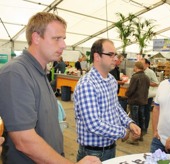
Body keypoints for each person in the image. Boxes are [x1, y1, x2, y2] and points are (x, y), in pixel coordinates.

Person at [0, 12, 101, 164]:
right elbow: (24, 141)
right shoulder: (16, 73)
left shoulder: (40, 71)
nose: (63, 45)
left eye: (64, 39)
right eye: (56, 39)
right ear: (36, 38)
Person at [74, 38, 141, 162]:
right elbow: (94, 124)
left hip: (110, 148)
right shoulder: (87, 84)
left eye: (115, 54)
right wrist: (123, 132)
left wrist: (129, 123)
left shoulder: (111, 80)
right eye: (110, 54)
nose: (115, 58)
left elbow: (115, 107)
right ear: (97, 57)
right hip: (92, 153)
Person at [125, 61, 150, 144]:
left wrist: (126, 94)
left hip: (135, 100)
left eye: (134, 66)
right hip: (142, 101)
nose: (133, 68)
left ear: (136, 67)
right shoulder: (146, 77)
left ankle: (135, 139)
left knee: (134, 120)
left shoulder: (135, 77)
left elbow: (131, 89)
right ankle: (140, 135)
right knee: (141, 118)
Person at [140, 58, 159, 133]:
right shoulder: (140, 71)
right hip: (140, 95)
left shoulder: (150, 72)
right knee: (140, 113)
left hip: (147, 96)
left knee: (146, 112)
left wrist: (147, 83)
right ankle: (141, 128)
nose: (141, 65)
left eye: (142, 63)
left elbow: (156, 83)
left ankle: (145, 129)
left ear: (147, 64)